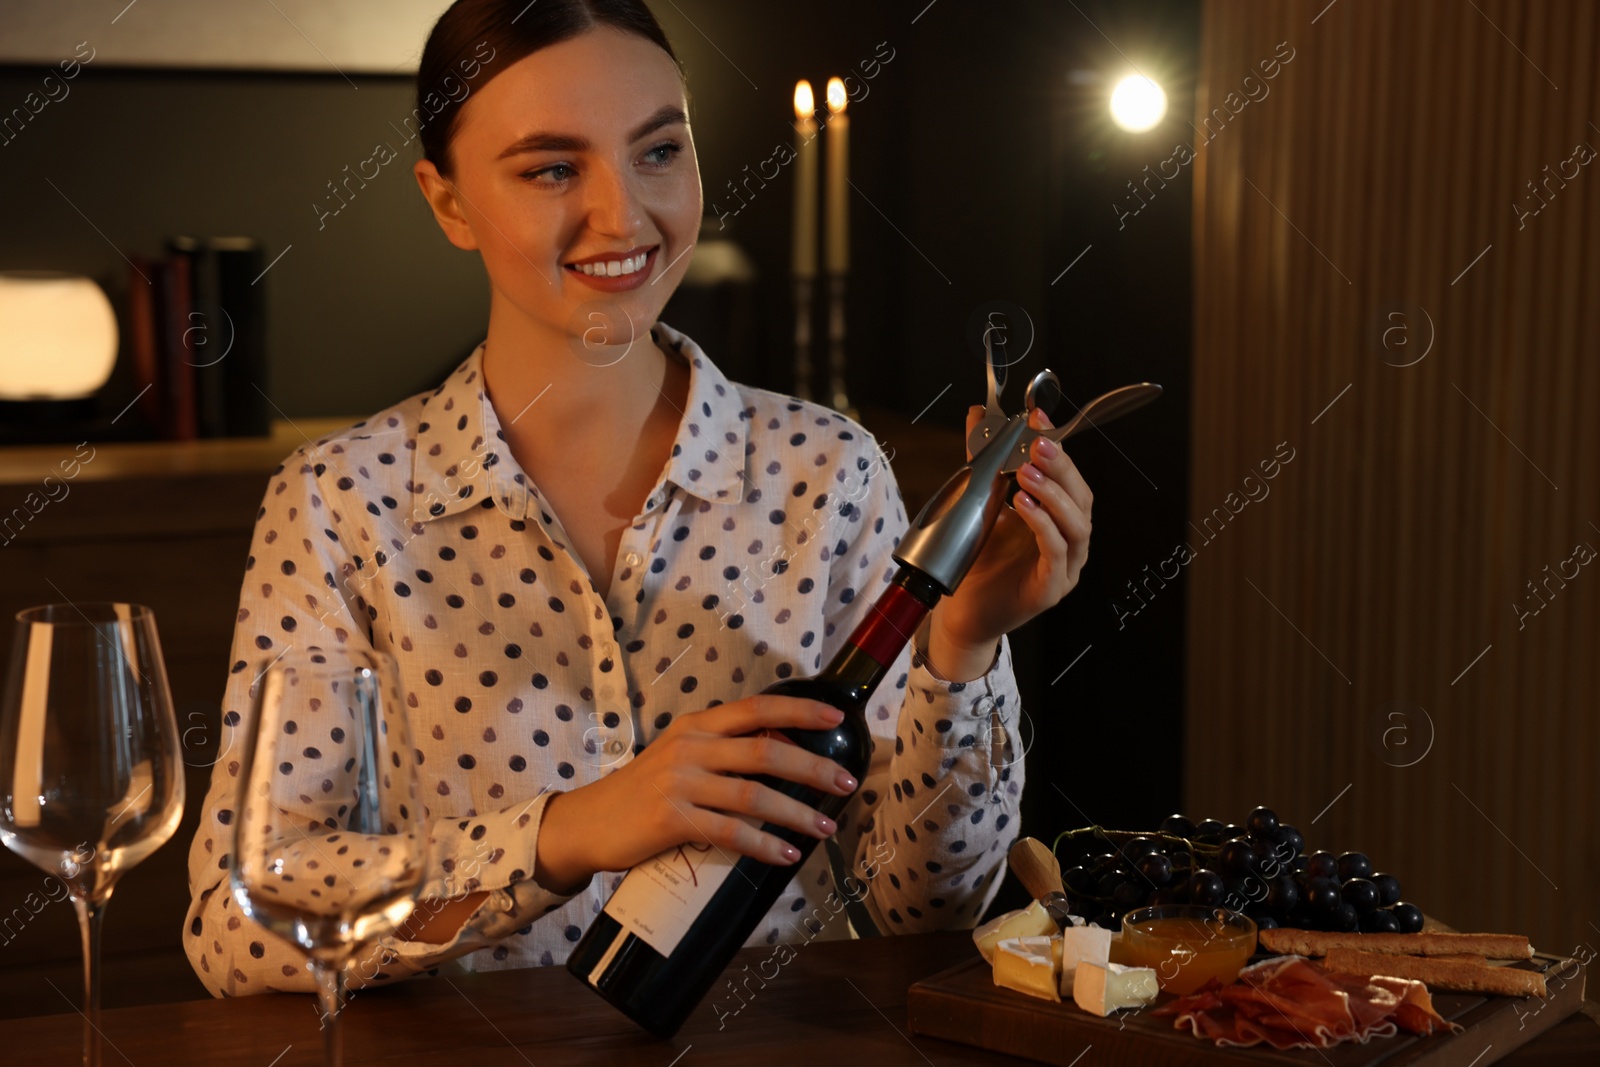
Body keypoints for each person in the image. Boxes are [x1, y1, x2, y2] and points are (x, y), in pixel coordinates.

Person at [182, 0, 1093, 998]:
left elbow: (924, 910)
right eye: (552, 169)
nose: (624, 216)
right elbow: (239, 925)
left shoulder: (826, 471)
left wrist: (962, 645)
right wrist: (569, 830)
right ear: (447, 202)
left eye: (659, 151)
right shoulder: (337, 503)